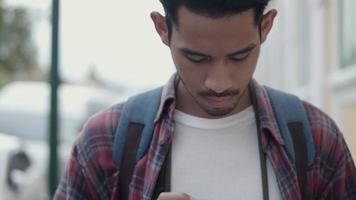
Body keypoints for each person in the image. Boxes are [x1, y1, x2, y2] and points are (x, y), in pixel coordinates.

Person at [54, 0, 356, 199]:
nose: (219, 83)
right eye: (196, 57)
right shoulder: (103, 143)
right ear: (162, 29)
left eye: (240, 56)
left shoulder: (317, 139)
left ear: (265, 27)